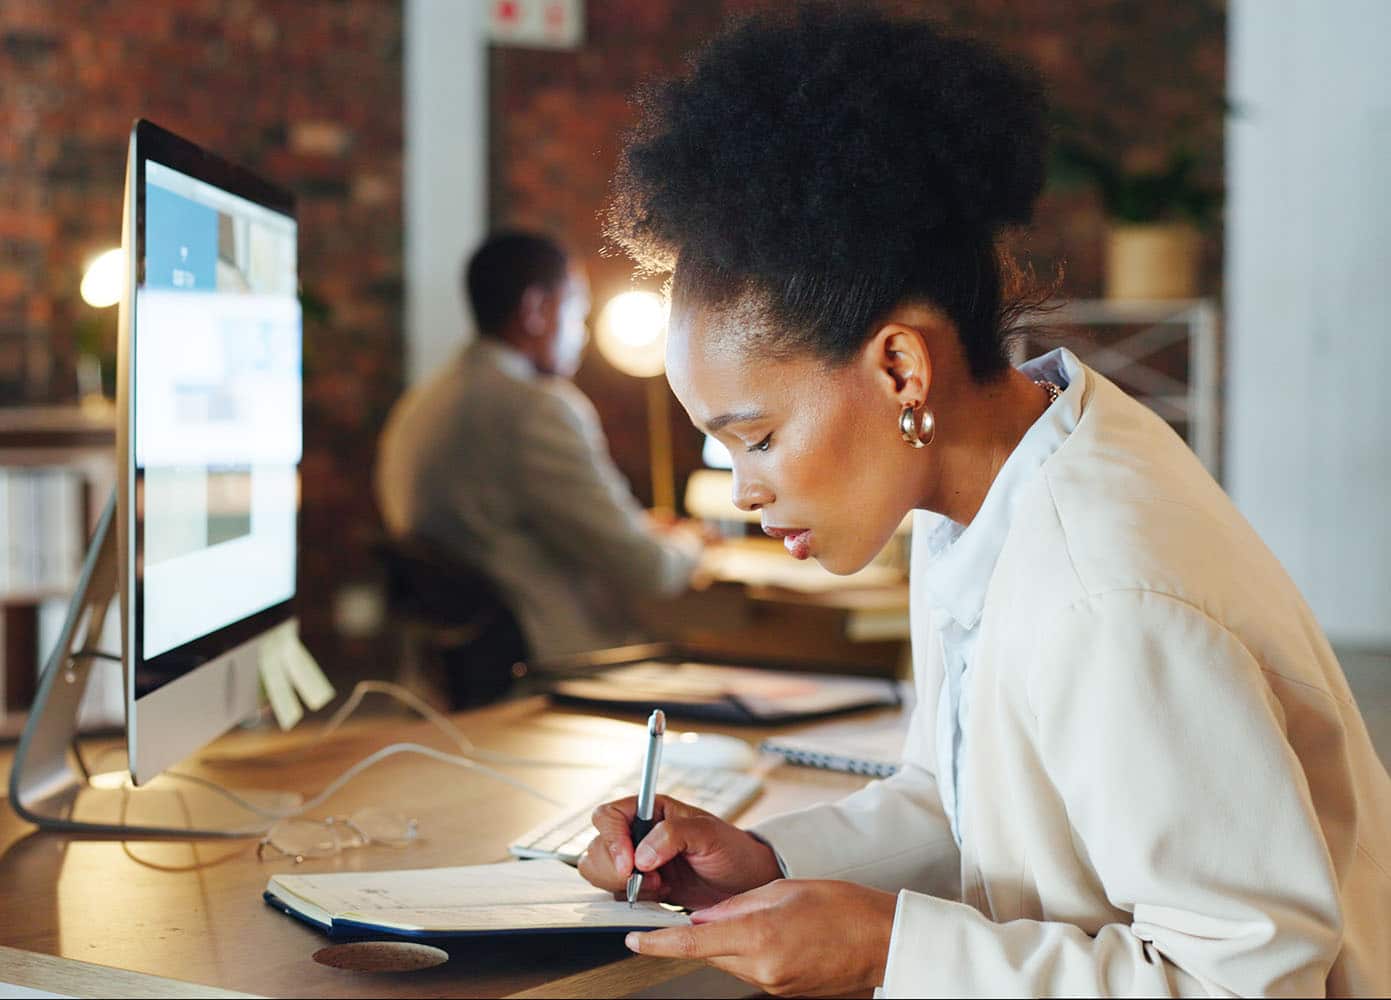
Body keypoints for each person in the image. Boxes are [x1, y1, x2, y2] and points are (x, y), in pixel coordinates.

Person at [575, 6, 1391, 996]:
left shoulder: (1103, 594)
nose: (743, 487)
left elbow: (1247, 981)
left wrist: (888, 950)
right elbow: (966, 801)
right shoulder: (996, 480)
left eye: (758, 435)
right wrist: (765, 862)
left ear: (898, 368)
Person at [375, 230, 704, 662]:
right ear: (535, 310)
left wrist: (637, 527)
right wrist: (692, 543)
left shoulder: (424, 400)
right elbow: (650, 570)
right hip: (550, 662)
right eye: (577, 314)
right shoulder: (535, 408)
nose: (583, 336)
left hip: (452, 669)